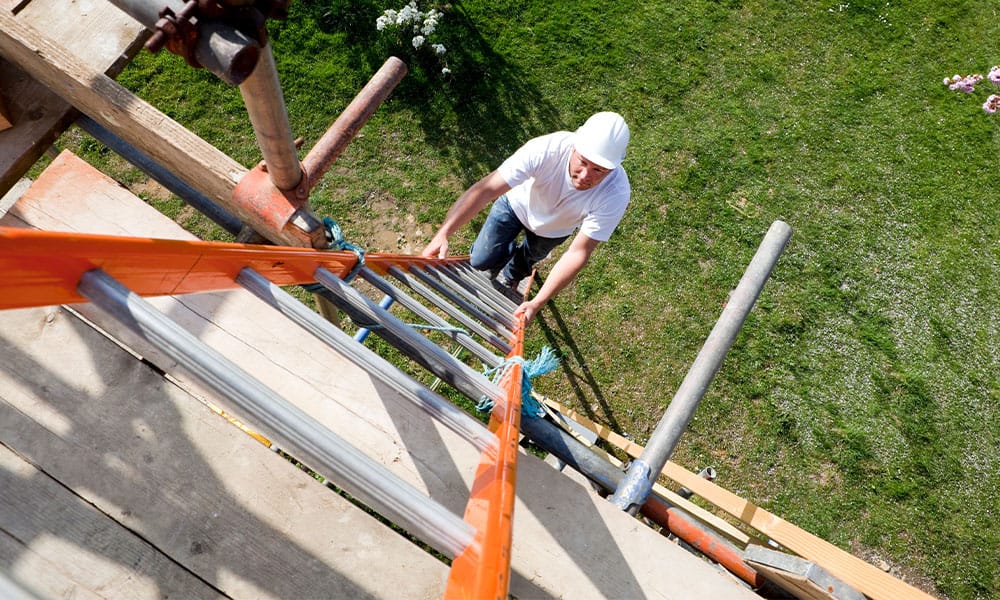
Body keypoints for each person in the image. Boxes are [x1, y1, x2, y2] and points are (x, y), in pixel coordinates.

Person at [422, 112, 631, 324]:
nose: (586, 176)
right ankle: (505, 252)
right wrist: (444, 233)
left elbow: (579, 252)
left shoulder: (616, 192)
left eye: (598, 170)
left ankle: (512, 273)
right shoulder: (547, 149)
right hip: (516, 205)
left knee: (526, 260)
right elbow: (485, 189)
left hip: (554, 230)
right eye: (583, 162)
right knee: (480, 260)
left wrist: (536, 303)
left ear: (613, 168)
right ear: (574, 147)